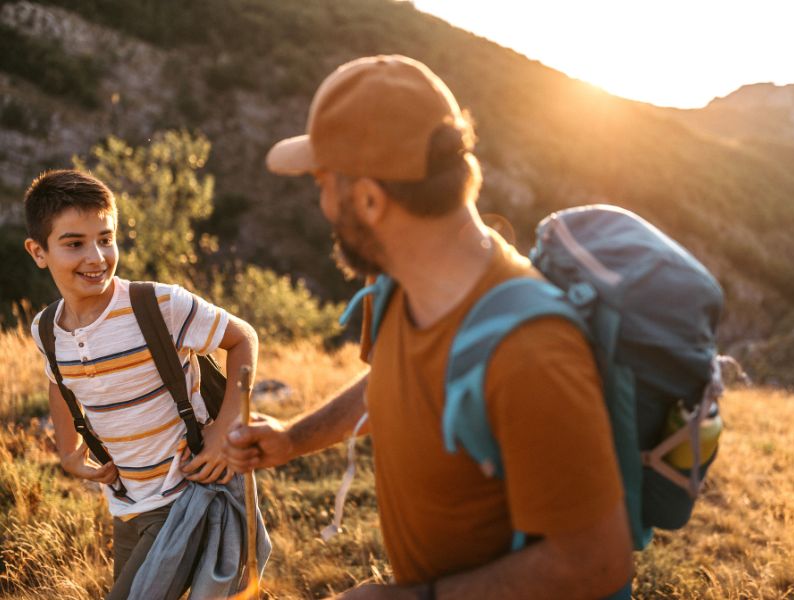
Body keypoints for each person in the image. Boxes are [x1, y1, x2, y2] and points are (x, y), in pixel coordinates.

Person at [226, 55, 633, 599]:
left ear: (370, 199)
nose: (321, 203)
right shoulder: (396, 286)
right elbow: (394, 386)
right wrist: (292, 439)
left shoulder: (532, 353)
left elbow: (595, 565)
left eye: (323, 182)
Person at [23, 169, 261, 599]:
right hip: (127, 504)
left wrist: (224, 430)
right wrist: (67, 452)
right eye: (74, 243)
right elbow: (60, 381)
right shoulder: (46, 330)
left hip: (187, 496)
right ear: (38, 251)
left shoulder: (157, 304)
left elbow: (243, 337)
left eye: (106, 238)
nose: (96, 257)